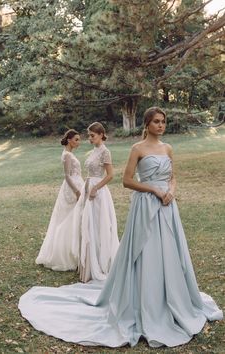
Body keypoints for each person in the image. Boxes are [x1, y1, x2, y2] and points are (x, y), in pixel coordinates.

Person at [19, 108, 223, 348]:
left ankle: (171, 298)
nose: (161, 125)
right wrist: (155, 190)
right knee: (145, 251)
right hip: (146, 205)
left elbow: (172, 176)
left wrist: (171, 191)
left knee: (169, 250)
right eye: (156, 122)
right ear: (146, 124)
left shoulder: (168, 148)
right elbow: (127, 180)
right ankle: (143, 301)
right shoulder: (137, 148)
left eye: (163, 122)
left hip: (167, 207)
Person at [72, 122, 119, 282]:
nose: (90, 138)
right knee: (86, 224)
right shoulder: (94, 151)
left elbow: (111, 175)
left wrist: (96, 188)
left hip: (98, 192)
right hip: (88, 187)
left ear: (100, 134)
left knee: (97, 225)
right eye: (89, 135)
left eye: (92, 135)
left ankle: (99, 262)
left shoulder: (105, 152)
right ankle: (88, 264)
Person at [35, 129, 84, 271]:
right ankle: (66, 253)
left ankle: (76, 250)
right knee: (69, 219)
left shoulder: (69, 154)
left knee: (75, 218)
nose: (78, 142)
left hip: (76, 184)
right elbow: (67, 176)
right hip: (72, 188)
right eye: (76, 139)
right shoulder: (67, 155)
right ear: (69, 140)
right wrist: (77, 191)